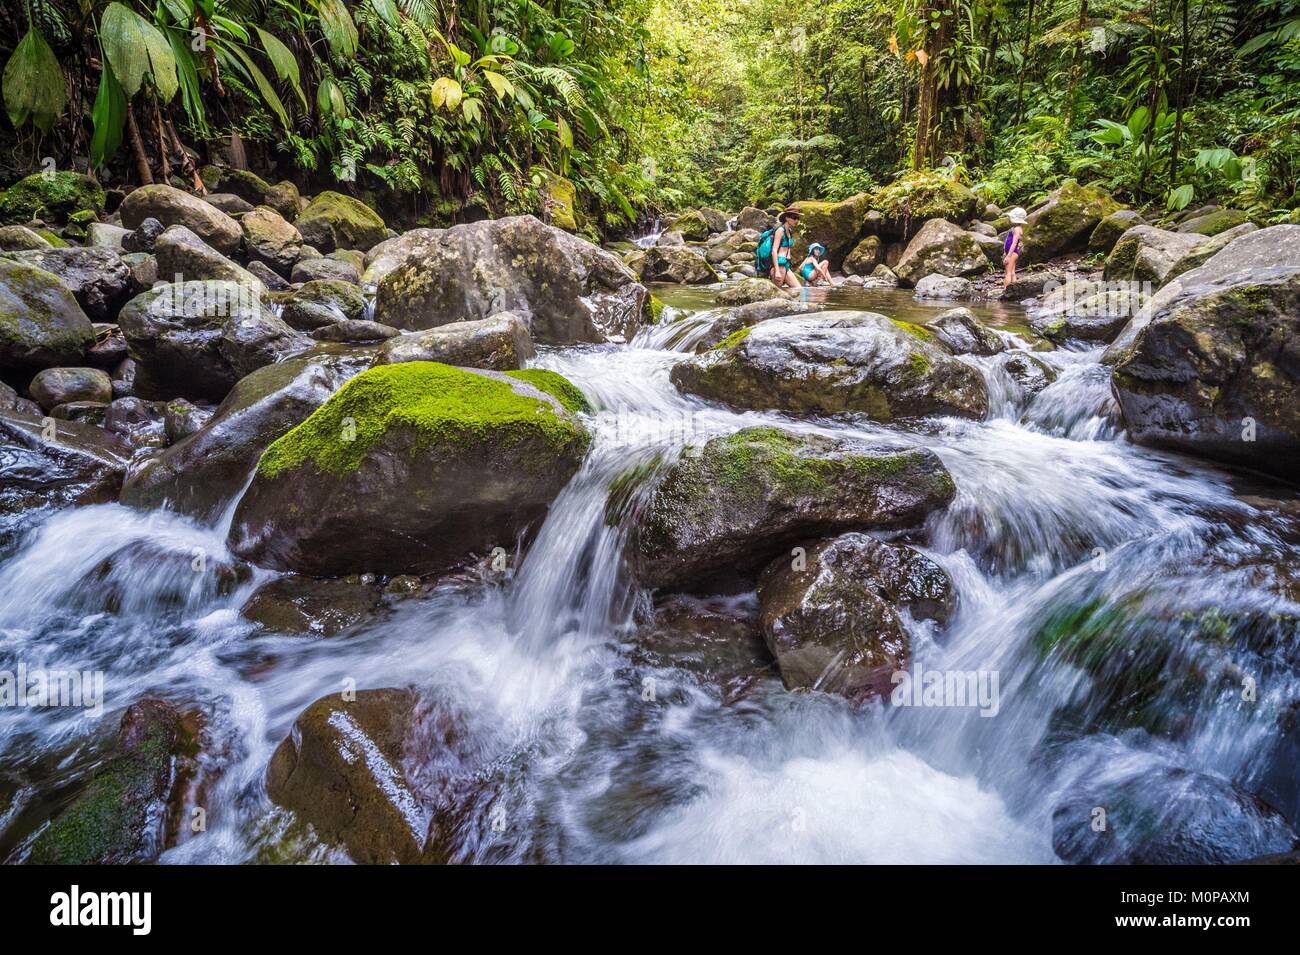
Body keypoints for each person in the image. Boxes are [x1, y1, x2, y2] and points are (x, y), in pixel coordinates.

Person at [756, 207, 802, 290]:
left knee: (799, 290)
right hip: (779, 264)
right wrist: (776, 270)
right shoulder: (780, 230)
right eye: (794, 218)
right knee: (777, 292)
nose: (796, 221)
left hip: (786, 264)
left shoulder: (789, 231)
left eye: (798, 218)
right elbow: (774, 251)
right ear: (787, 218)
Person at [1003, 207, 1027, 288]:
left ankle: (1006, 290)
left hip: (1012, 253)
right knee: (1012, 272)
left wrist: (1008, 256)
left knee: (1008, 273)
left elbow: (1014, 243)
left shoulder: (1017, 229)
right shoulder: (1018, 228)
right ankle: (1015, 289)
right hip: (1013, 252)